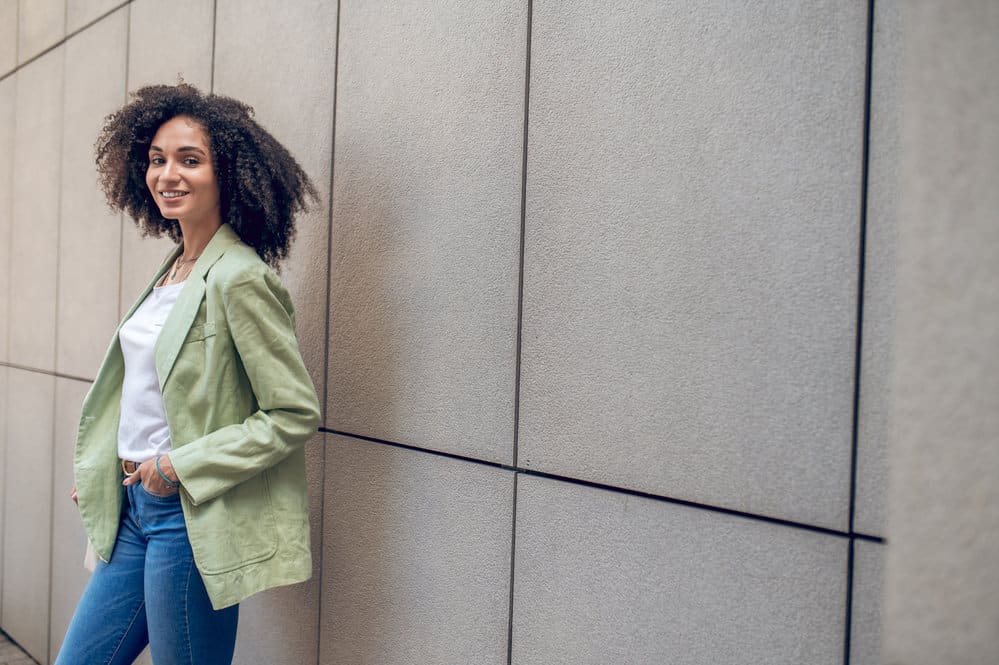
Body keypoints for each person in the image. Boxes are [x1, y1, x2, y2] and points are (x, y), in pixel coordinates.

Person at [55, 83, 321, 665]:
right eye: (156, 159)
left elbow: (293, 413)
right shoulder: (175, 269)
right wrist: (109, 463)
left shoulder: (240, 277)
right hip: (132, 511)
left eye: (189, 160)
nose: (167, 174)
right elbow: (151, 391)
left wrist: (176, 467)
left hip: (188, 516)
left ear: (228, 174)